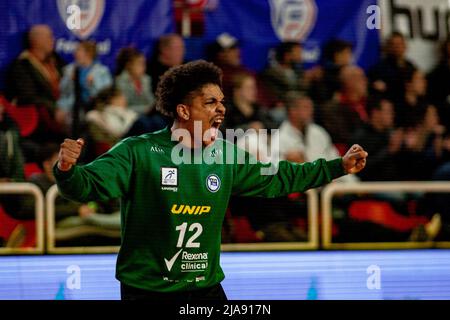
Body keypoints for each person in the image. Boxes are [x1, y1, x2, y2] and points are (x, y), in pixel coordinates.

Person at [54, 60, 368, 300]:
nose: (220, 109)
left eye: (221, 102)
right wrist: (68, 169)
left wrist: (336, 166)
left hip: (205, 287)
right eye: (210, 103)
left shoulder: (227, 154)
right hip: (147, 289)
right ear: (183, 111)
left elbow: (280, 177)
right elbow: (86, 187)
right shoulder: (138, 151)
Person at [58, 40, 113, 137]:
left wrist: (93, 84)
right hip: (73, 108)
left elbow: (106, 93)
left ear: (89, 53)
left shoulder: (102, 71)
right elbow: (63, 90)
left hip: (95, 106)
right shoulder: (70, 69)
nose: (75, 52)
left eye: (79, 50)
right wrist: (70, 80)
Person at [115, 47, 155, 115]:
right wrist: (145, 109)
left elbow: (150, 101)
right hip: (129, 116)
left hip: (147, 115)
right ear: (128, 65)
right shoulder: (120, 82)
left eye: (144, 64)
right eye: (140, 64)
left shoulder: (146, 79)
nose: (144, 67)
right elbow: (124, 107)